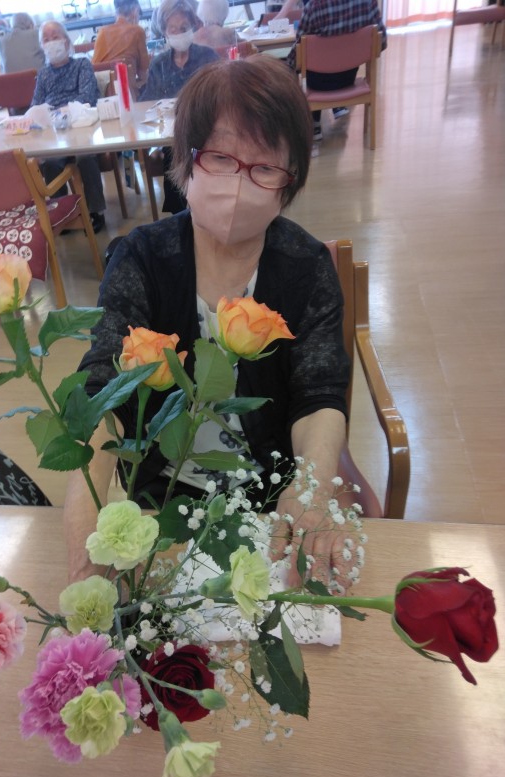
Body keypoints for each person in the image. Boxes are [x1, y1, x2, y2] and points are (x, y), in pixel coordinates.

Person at [65, 56, 355, 594]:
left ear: (289, 180)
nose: (238, 184)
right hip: (157, 493)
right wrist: (89, 511)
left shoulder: (306, 266)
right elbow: (102, 389)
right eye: (220, 157)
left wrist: (311, 485)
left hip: (270, 495)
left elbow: (319, 395)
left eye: (265, 167)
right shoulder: (142, 258)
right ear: (187, 160)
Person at [140, 0, 219, 213]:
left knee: (191, 149)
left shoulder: (208, 57)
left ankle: (204, 207)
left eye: (183, 28)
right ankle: (181, 216)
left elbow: (221, 95)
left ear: (193, 25)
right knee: (174, 151)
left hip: (205, 128)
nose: (178, 33)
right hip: (170, 134)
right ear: (165, 32)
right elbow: (148, 102)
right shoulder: (159, 64)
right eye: (172, 29)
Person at [32, 21, 106, 233]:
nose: (51, 42)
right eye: (46, 39)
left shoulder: (81, 65)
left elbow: (87, 97)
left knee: (85, 157)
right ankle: (61, 212)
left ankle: (96, 211)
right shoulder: (43, 74)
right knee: (50, 162)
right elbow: (35, 105)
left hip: (82, 127)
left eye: (55, 37)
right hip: (55, 132)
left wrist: (60, 111)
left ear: (66, 40)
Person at [287, 0, 387, 142]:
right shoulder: (368, 2)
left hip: (317, 84)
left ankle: (314, 123)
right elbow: (381, 42)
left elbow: (299, 53)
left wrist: (288, 66)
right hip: (348, 79)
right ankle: (335, 109)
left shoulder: (314, 6)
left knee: (305, 64)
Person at [92, 0, 150, 96]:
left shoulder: (102, 32)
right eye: (139, 13)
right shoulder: (137, 31)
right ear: (135, 11)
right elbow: (144, 73)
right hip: (128, 94)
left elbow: (94, 67)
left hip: (102, 95)